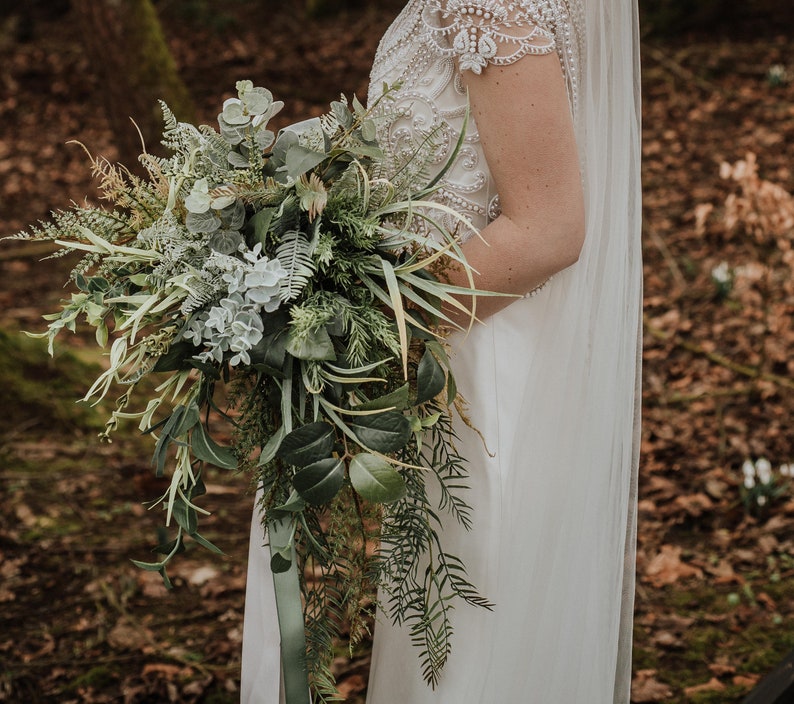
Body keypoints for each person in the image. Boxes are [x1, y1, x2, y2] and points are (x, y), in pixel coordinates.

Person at [242, 0, 642, 701]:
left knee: (470, 649)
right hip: (455, 351)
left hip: (480, 371)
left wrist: (361, 325)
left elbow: (549, 229)